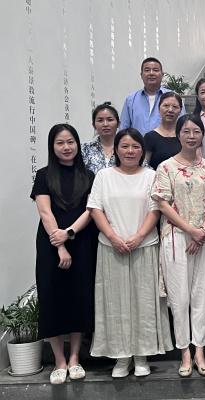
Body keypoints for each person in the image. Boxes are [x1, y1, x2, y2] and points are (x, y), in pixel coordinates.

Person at [88, 128, 173, 378]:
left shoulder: (151, 175)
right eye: (124, 146)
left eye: (135, 146)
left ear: (142, 151)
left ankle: (142, 355)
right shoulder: (104, 176)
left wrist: (138, 237)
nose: (130, 151)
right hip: (110, 248)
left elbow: (155, 209)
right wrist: (114, 237)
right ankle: (121, 357)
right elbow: (95, 209)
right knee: (115, 303)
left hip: (144, 246)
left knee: (144, 303)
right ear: (116, 149)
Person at [152, 114, 205, 377]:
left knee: (201, 296)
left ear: (202, 136)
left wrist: (201, 231)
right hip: (176, 238)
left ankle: (200, 349)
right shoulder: (165, 167)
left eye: (196, 132)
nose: (192, 136)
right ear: (178, 135)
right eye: (186, 132)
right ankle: (184, 352)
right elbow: (163, 203)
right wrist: (189, 229)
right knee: (179, 299)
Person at [31, 124, 96, 384]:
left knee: (79, 297)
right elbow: (45, 211)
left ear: (78, 144)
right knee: (52, 297)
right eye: (60, 143)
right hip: (50, 243)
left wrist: (69, 234)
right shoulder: (44, 175)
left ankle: (74, 358)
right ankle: (59, 360)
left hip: (81, 241)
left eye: (70, 142)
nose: (67, 147)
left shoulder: (89, 175)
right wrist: (59, 243)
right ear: (52, 146)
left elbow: (91, 209)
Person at [120, 57, 185, 133]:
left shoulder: (174, 98)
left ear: (162, 74)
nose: (151, 73)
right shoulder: (131, 100)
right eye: (147, 70)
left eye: (156, 70)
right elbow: (123, 129)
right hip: (138, 144)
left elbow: (182, 125)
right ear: (141, 75)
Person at [144, 92, 183, 169]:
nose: (170, 110)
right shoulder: (150, 137)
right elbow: (145, 166)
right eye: (166, 106)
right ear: (159, 108)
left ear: (180, 110)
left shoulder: (184, 136)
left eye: (175, 107)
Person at [82, 102, 120, 173]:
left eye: (110, 119)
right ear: (94, 125)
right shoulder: (84, 149)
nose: (105, 124)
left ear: (118, 123)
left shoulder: (127, 148)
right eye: (100, 120)